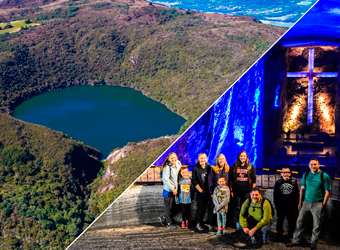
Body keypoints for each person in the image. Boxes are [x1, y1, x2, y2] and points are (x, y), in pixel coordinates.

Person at [286, 158, 332, 249]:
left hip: (318, 203)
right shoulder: (306, 174)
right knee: (300, 222)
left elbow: (327, 191)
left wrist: (323, 204)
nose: (313, 166)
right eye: (311, 164)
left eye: (315, 164)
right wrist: (300, 202)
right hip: (306, 202)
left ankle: (313, 242)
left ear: (319, 165)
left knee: (317, 224)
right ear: (309, 165)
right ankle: (296, 241)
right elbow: (302, 189)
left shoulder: (324, 176)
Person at [230, 151, 256, 225]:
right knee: (237, 207)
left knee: (246, 207)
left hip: (247, 191)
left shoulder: (250, 167)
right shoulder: (234, 166)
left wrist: (252, 191)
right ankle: (238, 223)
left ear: (246, 157)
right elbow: (231, 179)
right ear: (239, 157)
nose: (242, 157)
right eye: (241, 156)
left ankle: (245, 223)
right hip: (237, 191)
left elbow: (254, 180)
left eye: (244, 156)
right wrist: (231, 190)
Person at [273, 167, 299, 241]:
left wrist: (296, 205)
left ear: (290, 173)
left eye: (287, 172)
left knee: (291, 221)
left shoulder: (294, 182)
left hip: (291, 206)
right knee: (280, 221)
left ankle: (291, 236)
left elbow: (296, 194)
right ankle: (279, 236)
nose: (286, 174)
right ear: (281, 174)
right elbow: (275, 194)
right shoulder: (278, 183)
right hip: (281, 205)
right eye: (284, 172)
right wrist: (276, 204)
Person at [208, 153, 230, 231]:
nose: (221, 160)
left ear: (225, 160)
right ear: (217, 160)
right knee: (213, 207)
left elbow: (229, 181)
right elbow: (210, 180)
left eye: (223, 159)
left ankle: (223, 226)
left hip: (224, 193)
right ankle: (211, 224)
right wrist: (211, 192)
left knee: (223, 208)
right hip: (215, 192)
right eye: (220, 159)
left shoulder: (227, 169)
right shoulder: (213, 169)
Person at [160, 152, 182, 229]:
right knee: (168, 206)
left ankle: (164, 217)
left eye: (174, 157)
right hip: (168, 190)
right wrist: (173, 188)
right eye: (171, 158)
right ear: (169, 159)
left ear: (177, 157)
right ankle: (169, 223)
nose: (173, 159)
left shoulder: (178, 164)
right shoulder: (167, 167)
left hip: (175, 190)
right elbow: (165, 179)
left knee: (173, 206)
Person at [192, 153, 211, 231]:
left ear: (206, 159)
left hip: (209, 192)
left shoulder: (209, 168)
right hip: (201, 193)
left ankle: (209, 224)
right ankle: (199, 223)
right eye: (201, 158)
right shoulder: (195, 169)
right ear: (198, 159)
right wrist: (201, 191)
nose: (203, 160)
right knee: (202, 208)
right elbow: (195, 181)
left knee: (209, 208)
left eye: (204, 158)